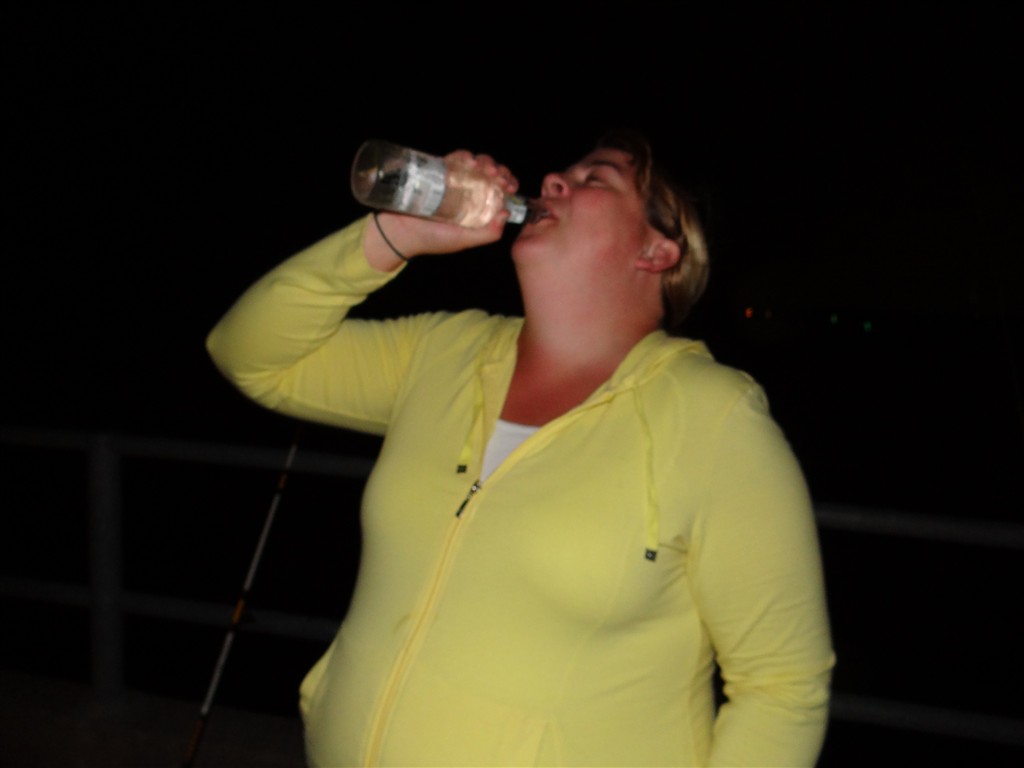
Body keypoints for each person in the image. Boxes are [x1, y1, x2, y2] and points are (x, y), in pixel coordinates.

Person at [207, 131, 835, 767]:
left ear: (656, 250)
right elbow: (250, 354)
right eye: (566, 171)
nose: (555, 179)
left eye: (596, 179)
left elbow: (782, 688)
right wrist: (397, 235)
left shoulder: (714, 418)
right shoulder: (443, 352)